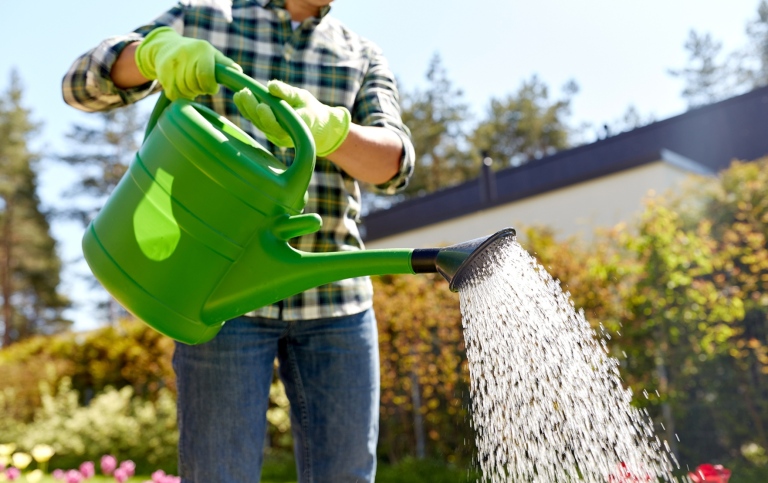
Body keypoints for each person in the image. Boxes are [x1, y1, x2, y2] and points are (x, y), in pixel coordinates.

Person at [62, 1, 415, 482]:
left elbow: (395, 167)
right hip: (219, 295)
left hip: (335, 301)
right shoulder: (203, 17)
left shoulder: (361, 54)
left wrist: (332, 133)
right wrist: (150, 55)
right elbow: (80, 85)